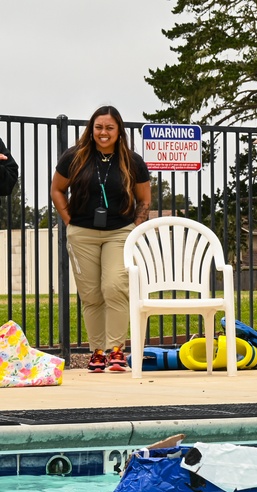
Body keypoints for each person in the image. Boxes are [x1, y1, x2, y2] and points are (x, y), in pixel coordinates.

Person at [50, 106, 151, 374]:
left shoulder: (132, 161)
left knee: (115, 287)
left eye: (109, 128)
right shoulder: (74, 157)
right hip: (82, 232)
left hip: (119, 232)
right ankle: (96, 353)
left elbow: (145, 200)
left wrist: (134, 226)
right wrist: (68, 219)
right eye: (98, 127)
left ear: (119, 131)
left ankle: (116, 351)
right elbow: (57, 190)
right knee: (91, 295)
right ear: (91, 129)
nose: (103, 133)